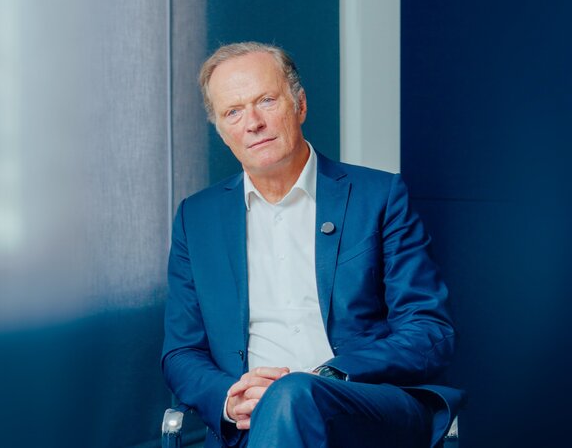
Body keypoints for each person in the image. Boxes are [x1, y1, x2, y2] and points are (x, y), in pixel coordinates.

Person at [161, 41, 462, 448]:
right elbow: (181, 351)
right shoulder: (195, 218)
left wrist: (329, 375)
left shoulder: (379, 197)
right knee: (282, 406)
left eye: (266, 101)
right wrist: (231, 400)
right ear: (222, 131)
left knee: (293, 395)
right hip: (252, 422)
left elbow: (428, 330)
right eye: (233, 112)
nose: (252, 123)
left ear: (300, 105)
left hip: (365, 404)